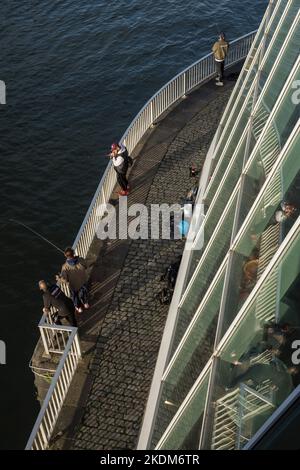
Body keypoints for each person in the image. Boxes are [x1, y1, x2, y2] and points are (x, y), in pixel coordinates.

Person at [59, 247, 89, 313]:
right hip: (83, 281)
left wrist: (59, 279)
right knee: (84, 292)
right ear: (73, 253)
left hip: (74, 285)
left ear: (66, 256)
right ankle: (85, 303)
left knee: (74, 296)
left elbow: (65, 280)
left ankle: (78, 308)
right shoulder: (80, 260)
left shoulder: (65, 267)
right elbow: (86, 266)